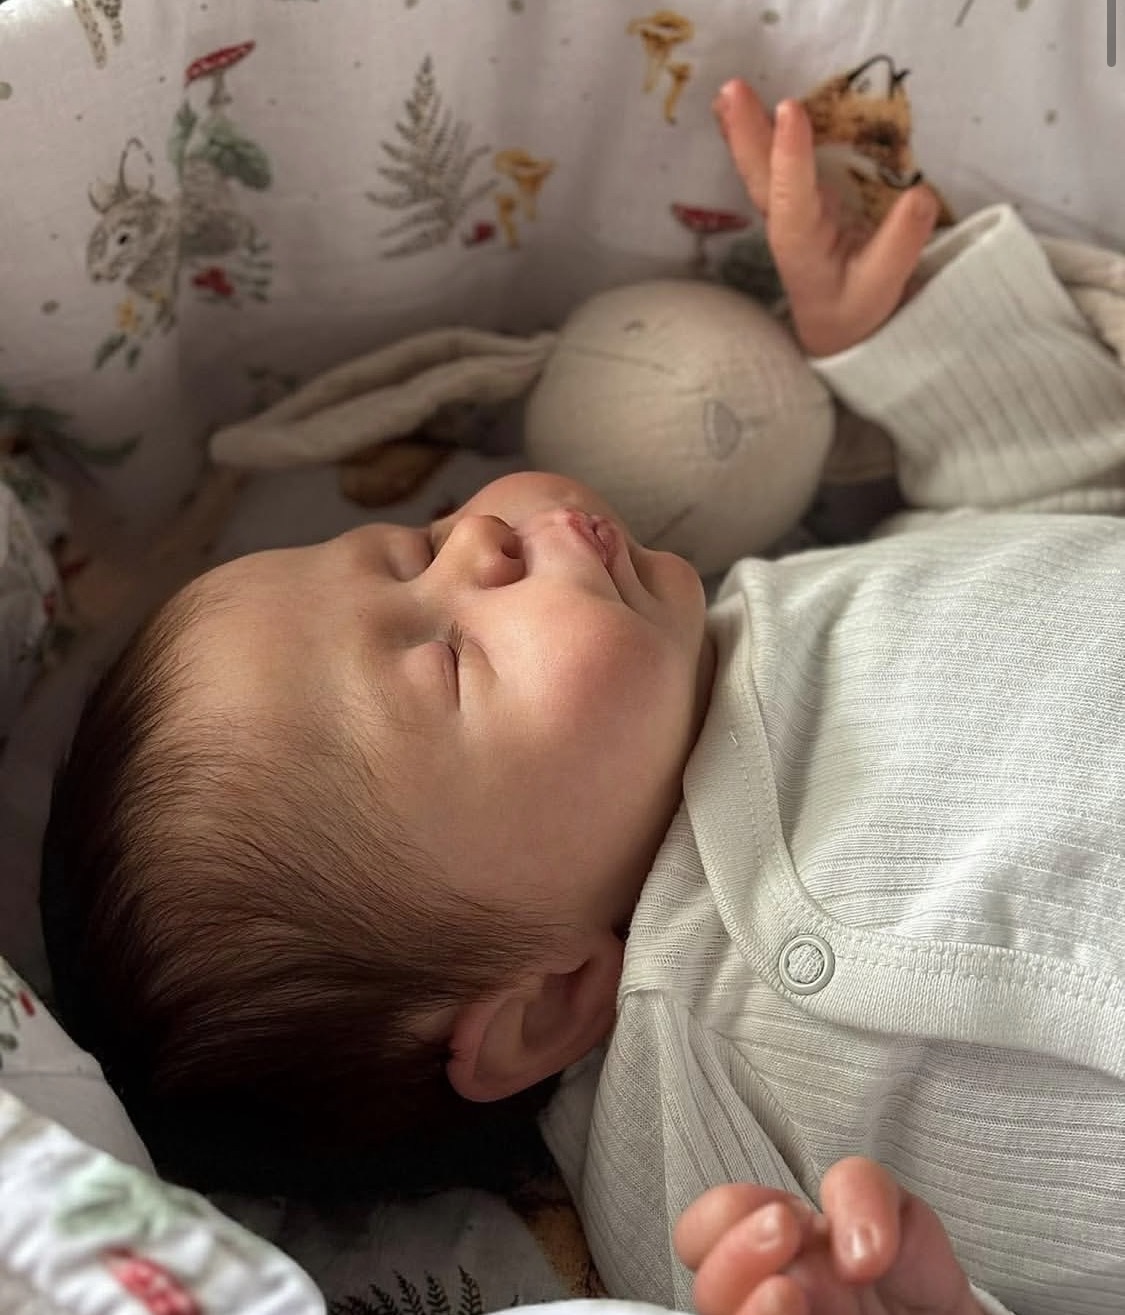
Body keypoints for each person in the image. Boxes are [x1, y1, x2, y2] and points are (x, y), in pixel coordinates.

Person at [41, 78, 1124, 1315]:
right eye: (452, 657)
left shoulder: (781, 603)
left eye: (417, 540)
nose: (479, 542)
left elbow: (1057, 511)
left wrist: (909, 343)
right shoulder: (691, 1129)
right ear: (544, 1006)